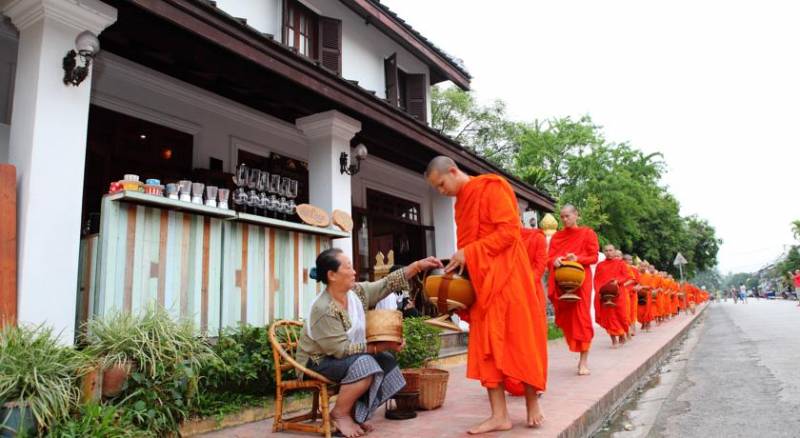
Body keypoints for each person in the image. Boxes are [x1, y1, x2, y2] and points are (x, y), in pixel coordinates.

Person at [425, 156, 548, 433]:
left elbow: (509, 233)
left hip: (508, 279)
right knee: (486, 348)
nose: (442, 192)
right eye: (437, 189)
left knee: (520, 339)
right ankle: (499, 415)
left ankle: (532, 404)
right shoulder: (460, 204)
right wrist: (459, 265)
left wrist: (469, 252)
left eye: (442, 184)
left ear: (454, 171)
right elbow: (469, 244)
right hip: (482, 284)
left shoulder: (492, 187)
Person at [296, 248, 442, 437]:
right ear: (332, 275)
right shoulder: (323, 308)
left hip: (339, 358)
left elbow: (387, 284)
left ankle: (354, 416)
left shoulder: (356, 292)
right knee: (366, 365)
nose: (354, 271)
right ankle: (339, 414)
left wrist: (417, 266)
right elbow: (341, 351)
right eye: (348, 267)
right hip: (316, 362)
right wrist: (381, 345)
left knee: (386, 360)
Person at [547, 204, 599, 376]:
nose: (564, 219)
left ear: (576, 215)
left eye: (567, 216)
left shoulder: (587, 233)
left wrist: (578, 258)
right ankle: (577, 348)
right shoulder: (556, 237)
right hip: (562, 281)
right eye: (561, 217)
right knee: (568, 318)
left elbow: (593, 257)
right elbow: (549, 258)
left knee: (582, 318)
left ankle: (583, 362)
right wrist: (554, 261)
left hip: (581, 280)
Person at [593, 246, 632, 348]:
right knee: (609, 317)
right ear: (603, 252)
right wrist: (599, 291)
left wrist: (617, 281)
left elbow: (626, 276)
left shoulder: (621, 263)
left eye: (611, 250)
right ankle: (614, 340)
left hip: (619, 294)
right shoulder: (600, 265)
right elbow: (596, 280)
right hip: (605, 295)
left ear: (614, 252)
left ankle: (622, 334)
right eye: (606, 250)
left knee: (621, 317)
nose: (608, 252)